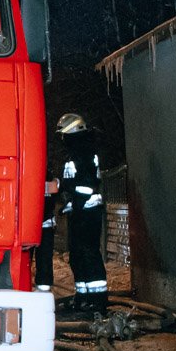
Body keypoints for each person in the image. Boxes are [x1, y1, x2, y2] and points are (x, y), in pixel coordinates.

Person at [56, 113, 108, 313]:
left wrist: (64, 187)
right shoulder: (77, 152)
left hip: (88, 213)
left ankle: (97, 300)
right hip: (81, 212)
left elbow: (86, 186)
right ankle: (84, 297)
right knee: (77, 256)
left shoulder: (84, 152)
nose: (62, 139)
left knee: (88, 255)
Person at [34, 178, 60, 292]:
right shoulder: (51, 179)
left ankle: (43, 287)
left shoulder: (51, 180)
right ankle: (43, 286)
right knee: (44, 258)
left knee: (43, 258)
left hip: (40, 224)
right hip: (43, 224)